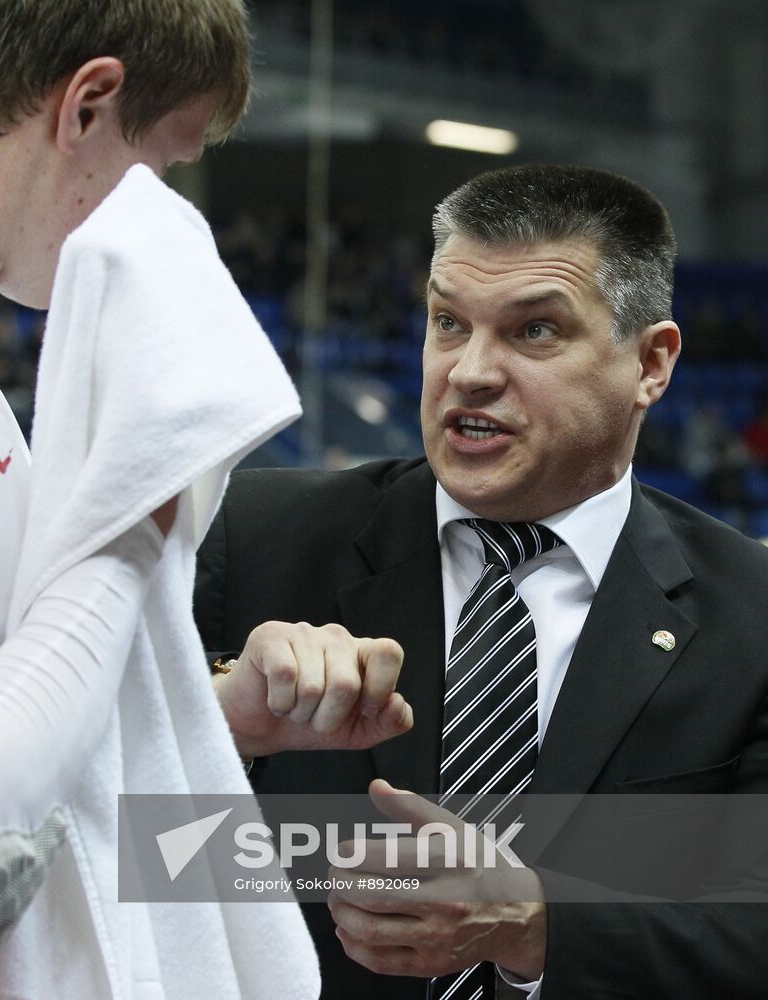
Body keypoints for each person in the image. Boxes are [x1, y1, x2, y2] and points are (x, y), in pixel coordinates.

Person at [0, 3, 412, 998]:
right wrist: (131, 523)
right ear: (89, 104)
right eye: (159, 166)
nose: (154, 212)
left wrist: (212, 719)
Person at [196, 163, 768, 999]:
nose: (469, 371)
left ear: (651, 363)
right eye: (448, 323)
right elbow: (91, 841)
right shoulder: (255, 536)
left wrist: (536, 925)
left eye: (534, 331)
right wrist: (221, 727)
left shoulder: (751, 613)